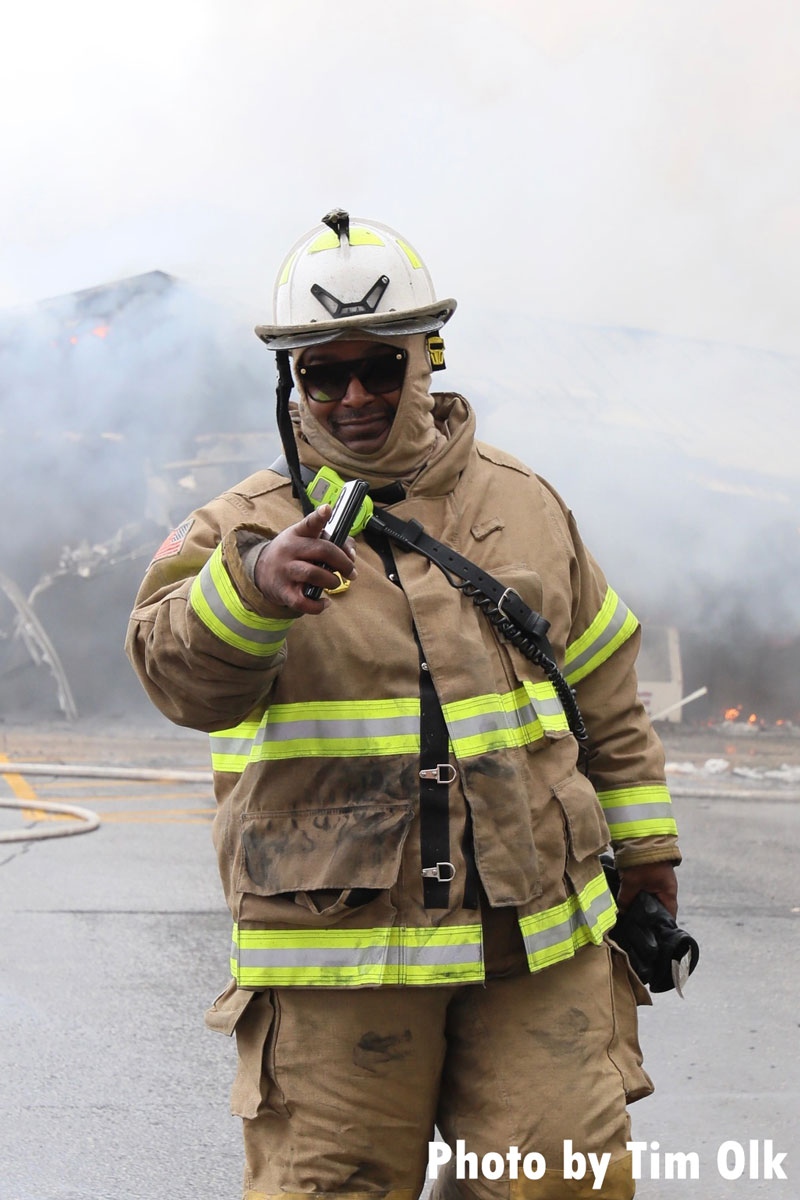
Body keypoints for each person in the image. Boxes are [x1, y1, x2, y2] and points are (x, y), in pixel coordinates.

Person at [126, 209, 681, 1200]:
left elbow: (605, 694)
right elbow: (175, 678)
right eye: (321, 374)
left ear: (425, 358)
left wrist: (647, 860)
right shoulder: (240, 526)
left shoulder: (523, 504)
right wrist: (250, 589)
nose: (352, 396)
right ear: (288, 381)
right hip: (338, 961)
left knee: (554, 1183)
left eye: (378, 367)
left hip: (534, 944)